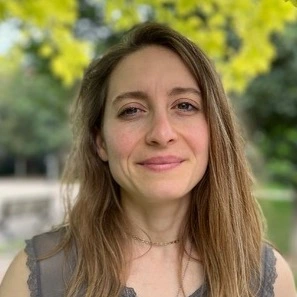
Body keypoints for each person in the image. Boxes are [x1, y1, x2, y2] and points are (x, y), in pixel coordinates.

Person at [0, 22, 296, 297]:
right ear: (100, 142)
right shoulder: (33, 278)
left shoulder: (268, 279)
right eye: (132, 110)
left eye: (184, 105)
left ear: (215, 131)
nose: (161, 133)